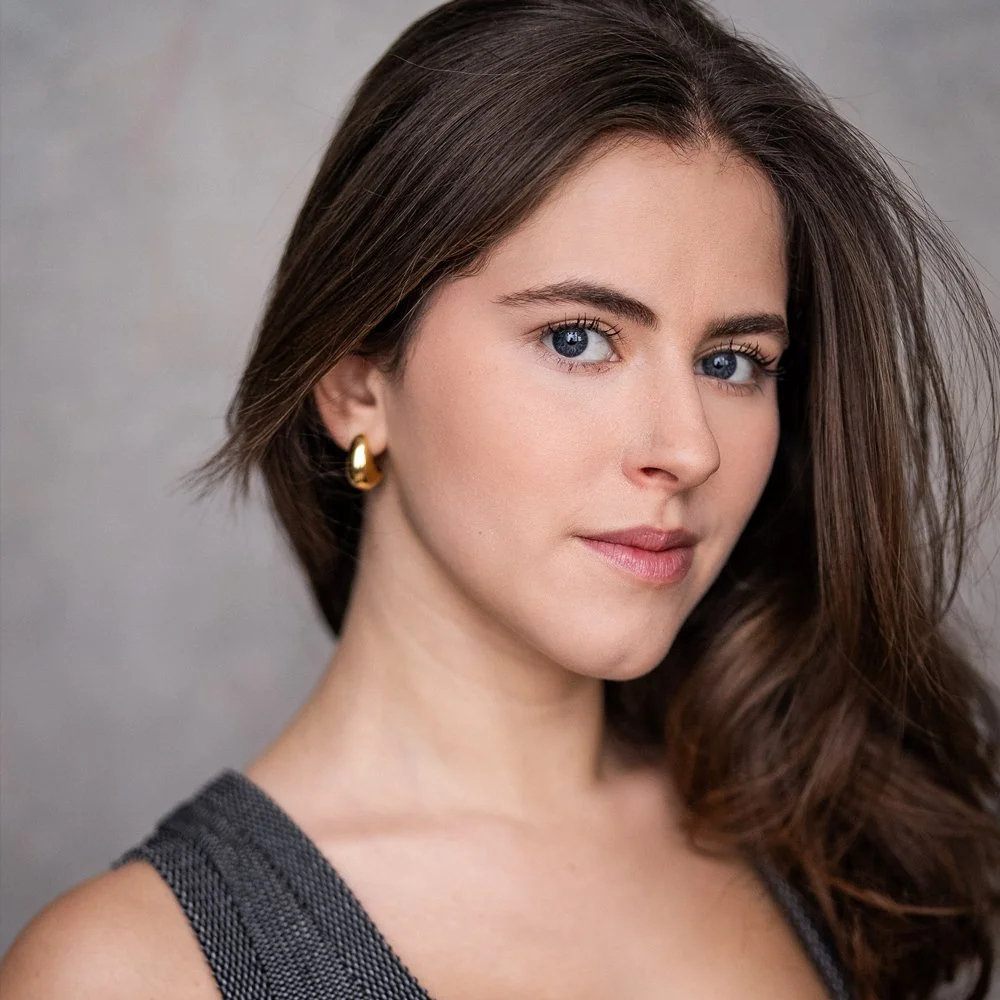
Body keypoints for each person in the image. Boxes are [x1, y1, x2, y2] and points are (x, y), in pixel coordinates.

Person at [3, 0, 999, 997]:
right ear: (357, 387)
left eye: (731, 360)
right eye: (578, 338)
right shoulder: (128, 970)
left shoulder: (830, 833)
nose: (688, 447)